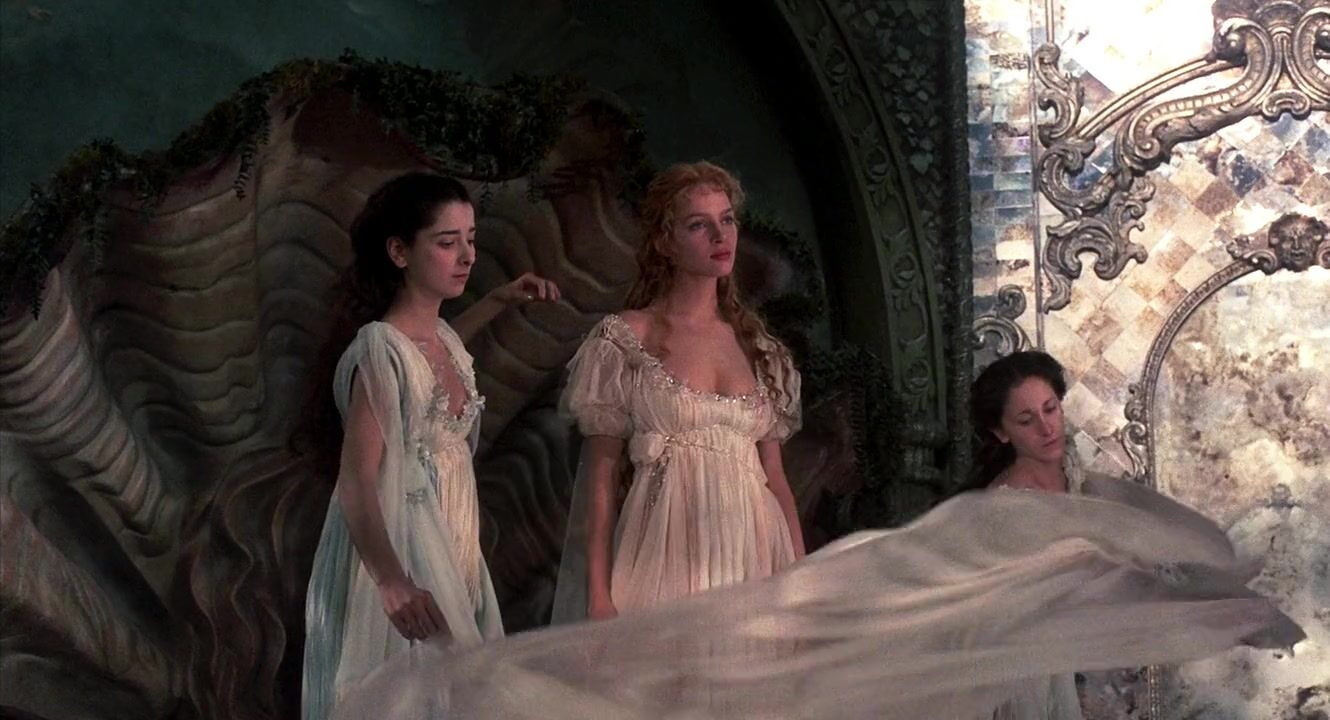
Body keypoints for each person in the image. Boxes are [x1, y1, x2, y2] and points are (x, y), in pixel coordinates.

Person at [299, 171, 560, 719]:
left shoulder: (438, 338)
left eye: (471, 239)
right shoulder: (380, 349)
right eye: (446, 242)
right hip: (405, 548)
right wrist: (392, 581)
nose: (466, 256)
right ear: (399, 252)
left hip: (454, 544)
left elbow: (434, 361)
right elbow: (357, 478)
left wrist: (498, 300)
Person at [551, 161, 805, 623]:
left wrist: (802, 580)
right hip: (665, 551)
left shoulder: (760, 349)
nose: (720, 236)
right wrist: (598, 593)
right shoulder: (627, 338)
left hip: (753, 554)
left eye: (727, 220)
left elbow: (777, 478)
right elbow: (600, 477)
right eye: (698, 225)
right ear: (665, 242)